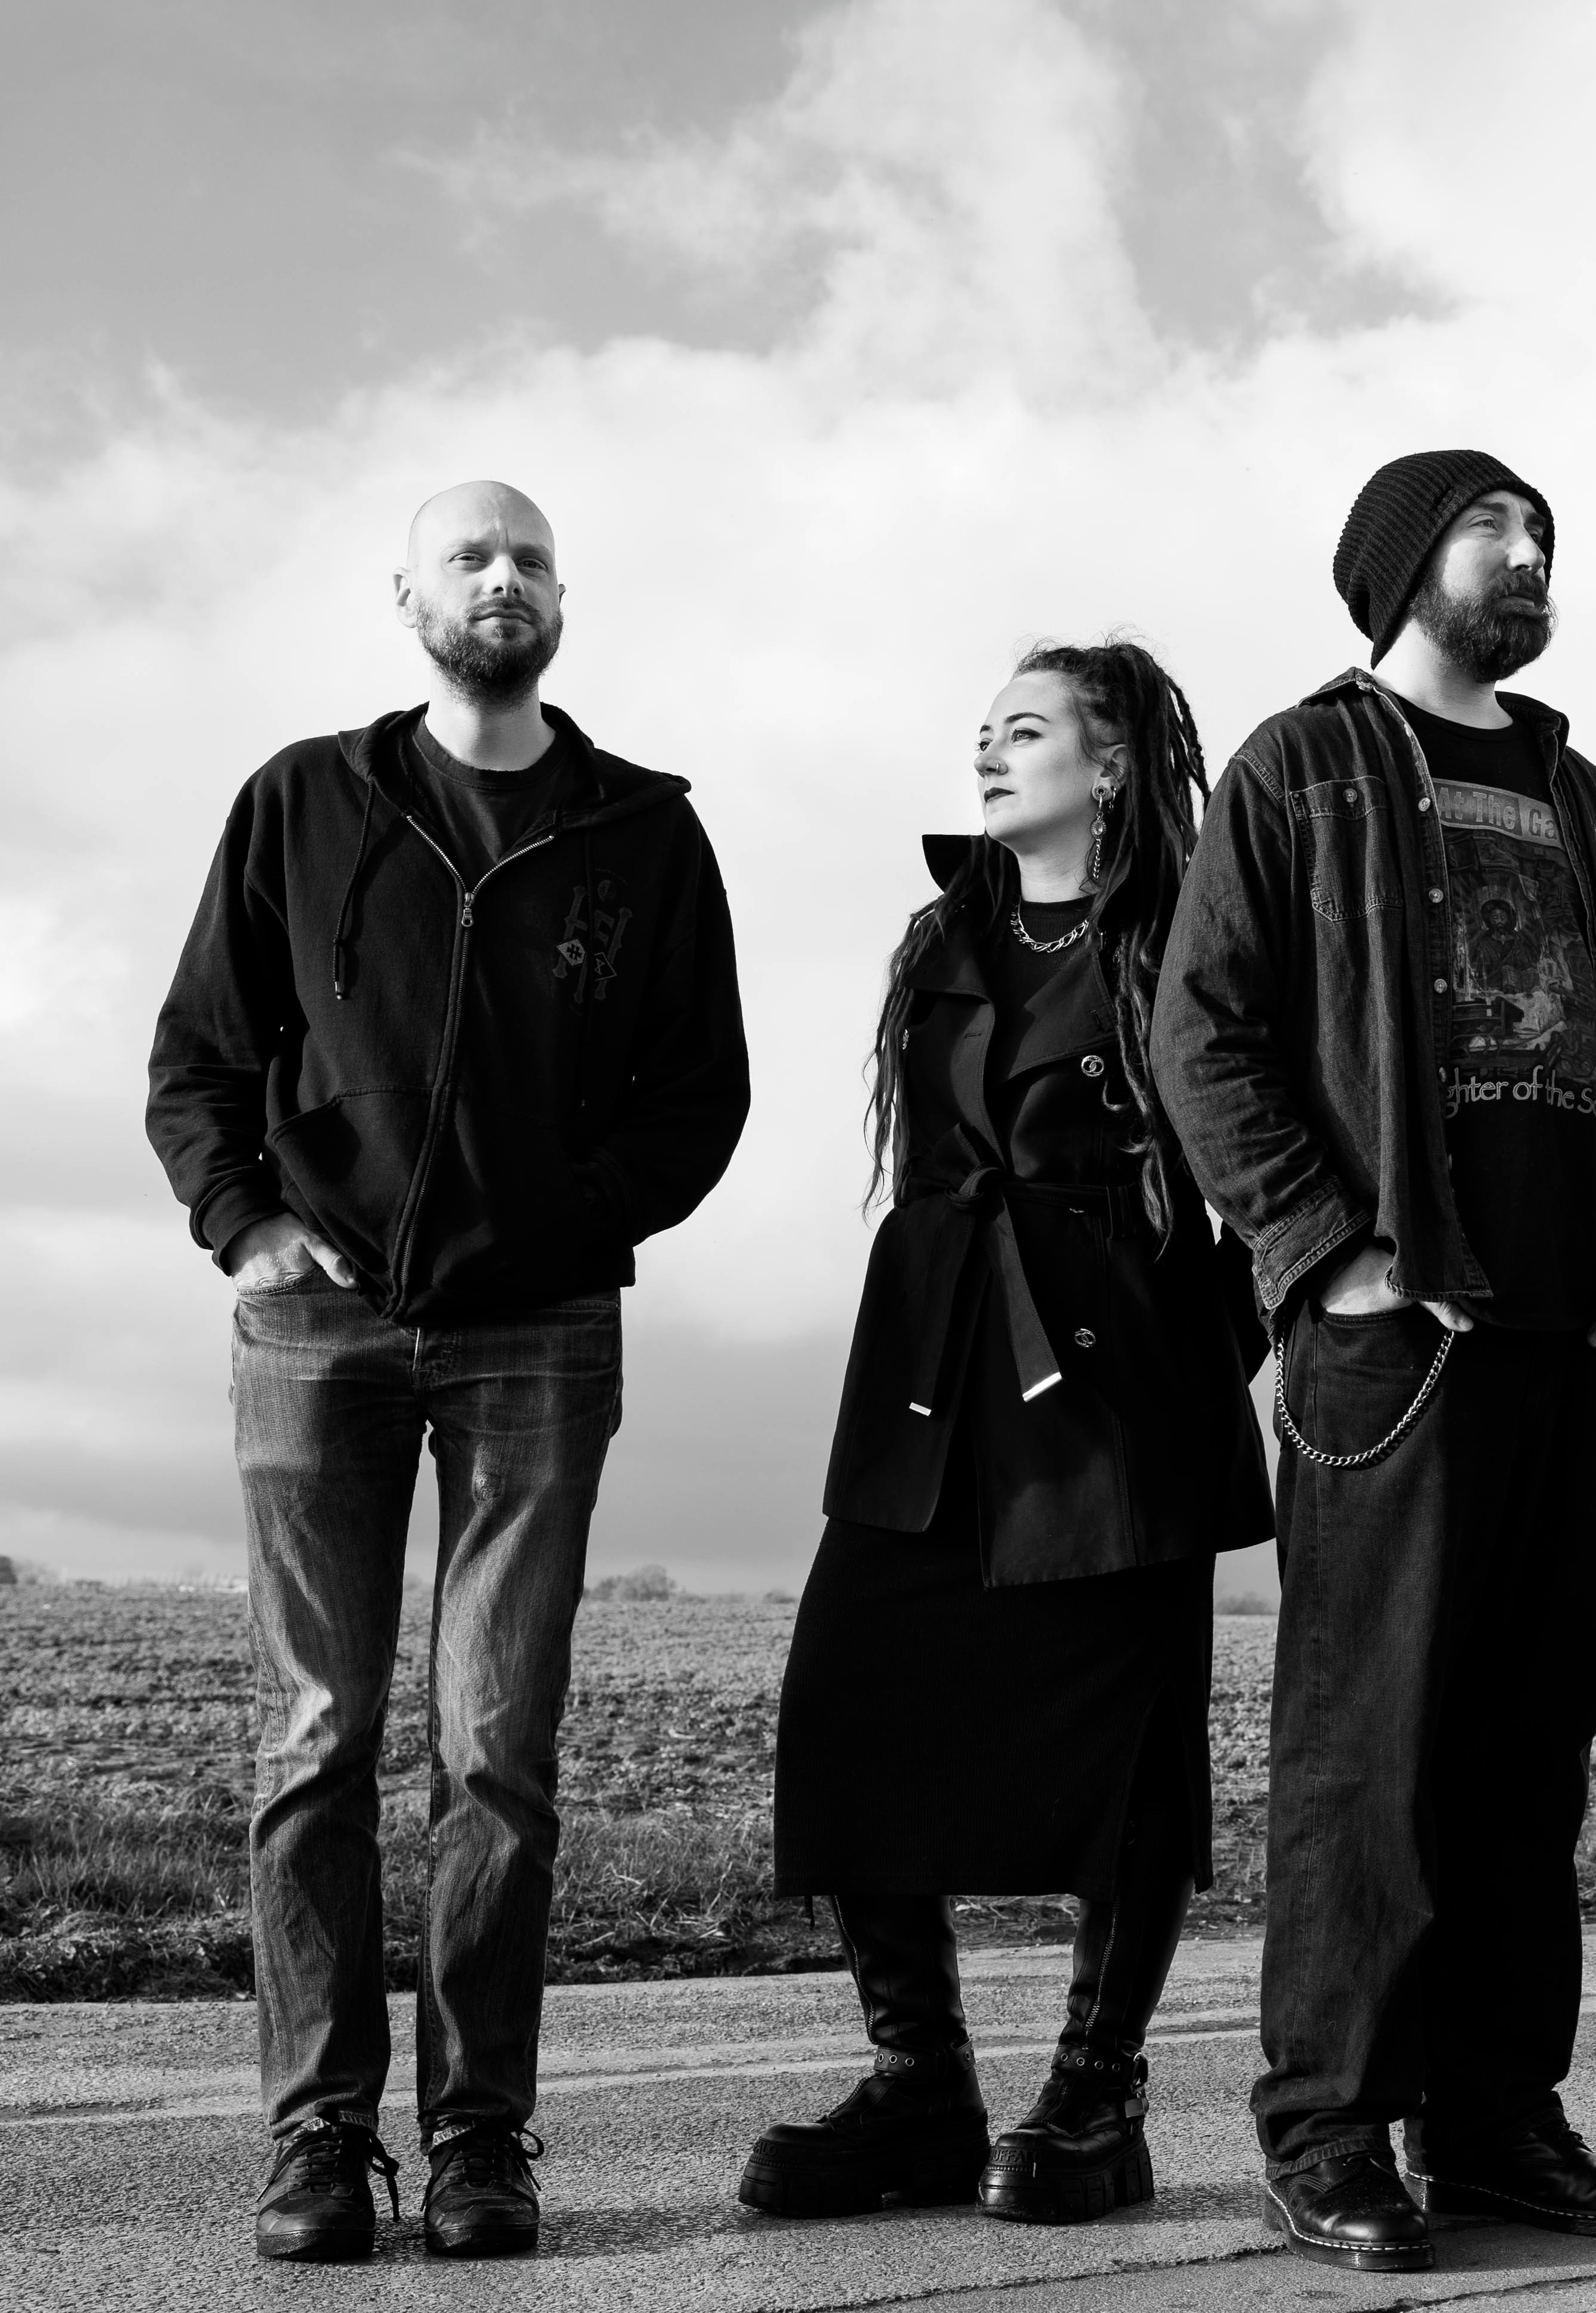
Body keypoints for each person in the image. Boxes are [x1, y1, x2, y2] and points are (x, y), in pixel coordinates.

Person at [146, 481, 751, 2263]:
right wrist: (249, 1227)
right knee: (314, 1738)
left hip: (539, 1330)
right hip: (315, 1327)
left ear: (563, 600)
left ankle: (483, 2139)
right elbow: (199, 1051)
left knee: (497, 1748)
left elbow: (699, 1096)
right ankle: (319, 2140)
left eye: (531, 558)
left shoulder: (644, 831)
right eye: (471, 557)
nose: (504, 578)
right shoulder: (303, 799)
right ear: (405, 595)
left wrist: (568, 1225)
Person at [1151, 449, 1596, 2275]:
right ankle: (1327, 2119)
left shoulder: (1571, 786)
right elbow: (1200, 1033)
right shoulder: (1302, 764)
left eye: (1544, 535)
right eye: (1493, 528)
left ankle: (1492, 2115)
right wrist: (1334, 1251)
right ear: (1401, 560)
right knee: (1366, 1738)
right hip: (1394, 1340)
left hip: (1568, 1328)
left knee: (1532, 1741)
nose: (1528, 555)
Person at [739, 641, 1272, 2227]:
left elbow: (1266, 1156)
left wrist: (1197, 1353)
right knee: (846, 1702)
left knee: (1127, 1754)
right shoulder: (946, 932)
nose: (987, 751)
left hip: (1119, 1397)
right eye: (981, 730)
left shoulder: (1189, 932)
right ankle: (922, 2087)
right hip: (931, 1372)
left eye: (1024, 729)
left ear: (1109, 766)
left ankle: (1096, 2099)